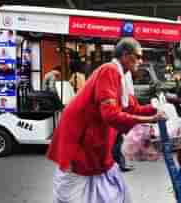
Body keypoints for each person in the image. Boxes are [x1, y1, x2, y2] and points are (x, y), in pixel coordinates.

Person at [47, 37, 166, 203]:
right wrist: (150, 118)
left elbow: (131, 108)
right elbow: (110, 114)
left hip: (95, 143)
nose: (141, 60)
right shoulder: (109, 71)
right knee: (73, 192)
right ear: (125, 55)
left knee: (110, 187)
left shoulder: (123, 77)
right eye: (138, 56)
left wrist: (157, 109)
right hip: (79, 141)